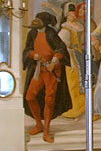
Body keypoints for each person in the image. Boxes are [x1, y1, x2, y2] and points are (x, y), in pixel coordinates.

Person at [23, 12, 71, 143]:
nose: (36, 22)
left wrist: (54, 61)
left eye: (38, 20)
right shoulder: (32, 33)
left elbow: (61, 49)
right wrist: (33, 55)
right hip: (38, 69)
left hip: (51, 71)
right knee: (29, 96)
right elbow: (27, 49)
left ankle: (46, 131)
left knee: (49, 100)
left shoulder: (51, 33)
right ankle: (39, 124)